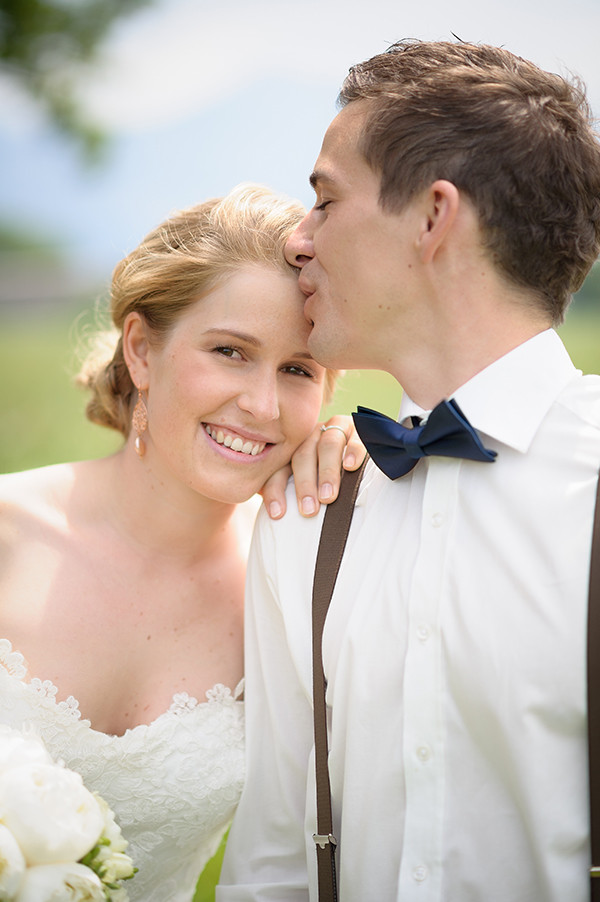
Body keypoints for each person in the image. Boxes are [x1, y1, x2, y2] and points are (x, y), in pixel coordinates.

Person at [218, 40, 600, 901]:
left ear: (433, 218)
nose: (297, 237)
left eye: (324, 200)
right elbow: (272, 862)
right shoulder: (308, 510)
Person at [0, 183, 364, 902]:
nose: (262, 406)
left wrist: (374, 472)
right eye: (230, 352)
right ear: (141, 349)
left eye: (298, 370)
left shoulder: (300, 584)